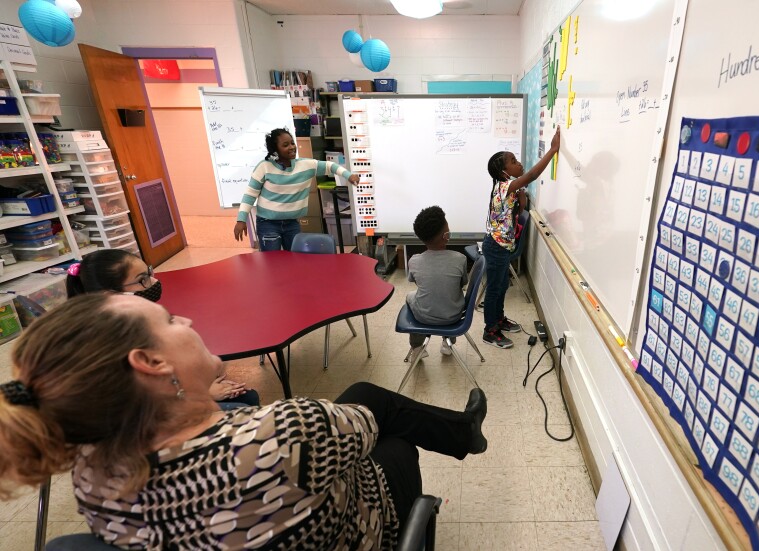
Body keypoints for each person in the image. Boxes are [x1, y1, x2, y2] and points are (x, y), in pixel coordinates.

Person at [0, 293, 488, 549]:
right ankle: (463, 434)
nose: (187, 323)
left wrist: (197, 399)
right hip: (352, 529)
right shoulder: (286, 434)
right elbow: (359, 427)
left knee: (366, 401)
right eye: (170, 321)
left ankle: (463, 432)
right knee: (391, 432)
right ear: (151, 364)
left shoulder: (88, 474)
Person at [66, 249, 259, 410]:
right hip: (154, 411)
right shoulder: (112, 341)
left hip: (176, 392)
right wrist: (203, 394)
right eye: (143, 279)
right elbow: (141, 402)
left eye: (150, 273)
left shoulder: (131, 318)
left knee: (249, 397)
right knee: (245, 403)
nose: (154, 282)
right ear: (110, 294)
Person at [482, 127, 561, 349]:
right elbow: (533, 175)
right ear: (504, 172)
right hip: (496, 246)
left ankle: (499, 319)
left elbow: (521, 207)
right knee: (495, 289)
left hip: (503, 245)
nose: (519, 164)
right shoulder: (504, 187)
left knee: (503, 285)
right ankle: (490, 330)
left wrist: (522, 195)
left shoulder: (509, 188)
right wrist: (553, 150)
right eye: (514, 161)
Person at [233, 128, 361, 251]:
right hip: (268, 223)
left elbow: (330, 166)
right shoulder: (264, 167)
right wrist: (241, 219)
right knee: (272, 263)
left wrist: (348, 175)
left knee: (296, 260)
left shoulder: (305, 165)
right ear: (275, 150)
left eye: (292, 143)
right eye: (285, 145)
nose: (292, 147)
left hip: (292, 223)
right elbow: (250, 194)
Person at [406, 206, 469, 355]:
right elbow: (463, 283)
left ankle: (416, 348)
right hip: (454, 316)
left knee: (409, 295)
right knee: (450, 294)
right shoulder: (460, 259)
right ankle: (447, 344)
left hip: (423, 317)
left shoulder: (414, 261)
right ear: (446, 235)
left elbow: (415, 282)